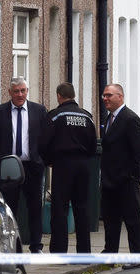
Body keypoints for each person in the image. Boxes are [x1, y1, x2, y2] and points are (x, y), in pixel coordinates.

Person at [0, 77, 47, 253]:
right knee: (9, 208)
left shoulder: (39, 110)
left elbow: (45, 139)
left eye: (23, 90)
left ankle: (36, 246)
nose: (20, 94)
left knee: (35, 207)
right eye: (16, 91)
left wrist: (41, 161)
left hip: (32, 167)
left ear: (27, 91)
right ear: (10, 93)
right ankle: (12, 245)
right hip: (9, 168)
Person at [39, 82, 97, 253]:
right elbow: (94, 145)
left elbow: (43, 143)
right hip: (83, 166)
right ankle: (84, 251)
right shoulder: (87, 117)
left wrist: (48, 161)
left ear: (59, 96)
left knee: (60, 209)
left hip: (63, 165)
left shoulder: (55, 116)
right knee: (82, 208)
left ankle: (59, 250)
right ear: (73, 95)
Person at [100, 83, 140, 269]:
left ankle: (138, 256)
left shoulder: (130, 119)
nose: (105, 99)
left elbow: (138, 153)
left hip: (126, 180)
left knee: (132, 219)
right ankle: (110, 253)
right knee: (110, 219)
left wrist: (131, 176)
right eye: (104, 95)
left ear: (120, 96)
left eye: (109, 95)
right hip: (109, 180)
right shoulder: (109, 119)